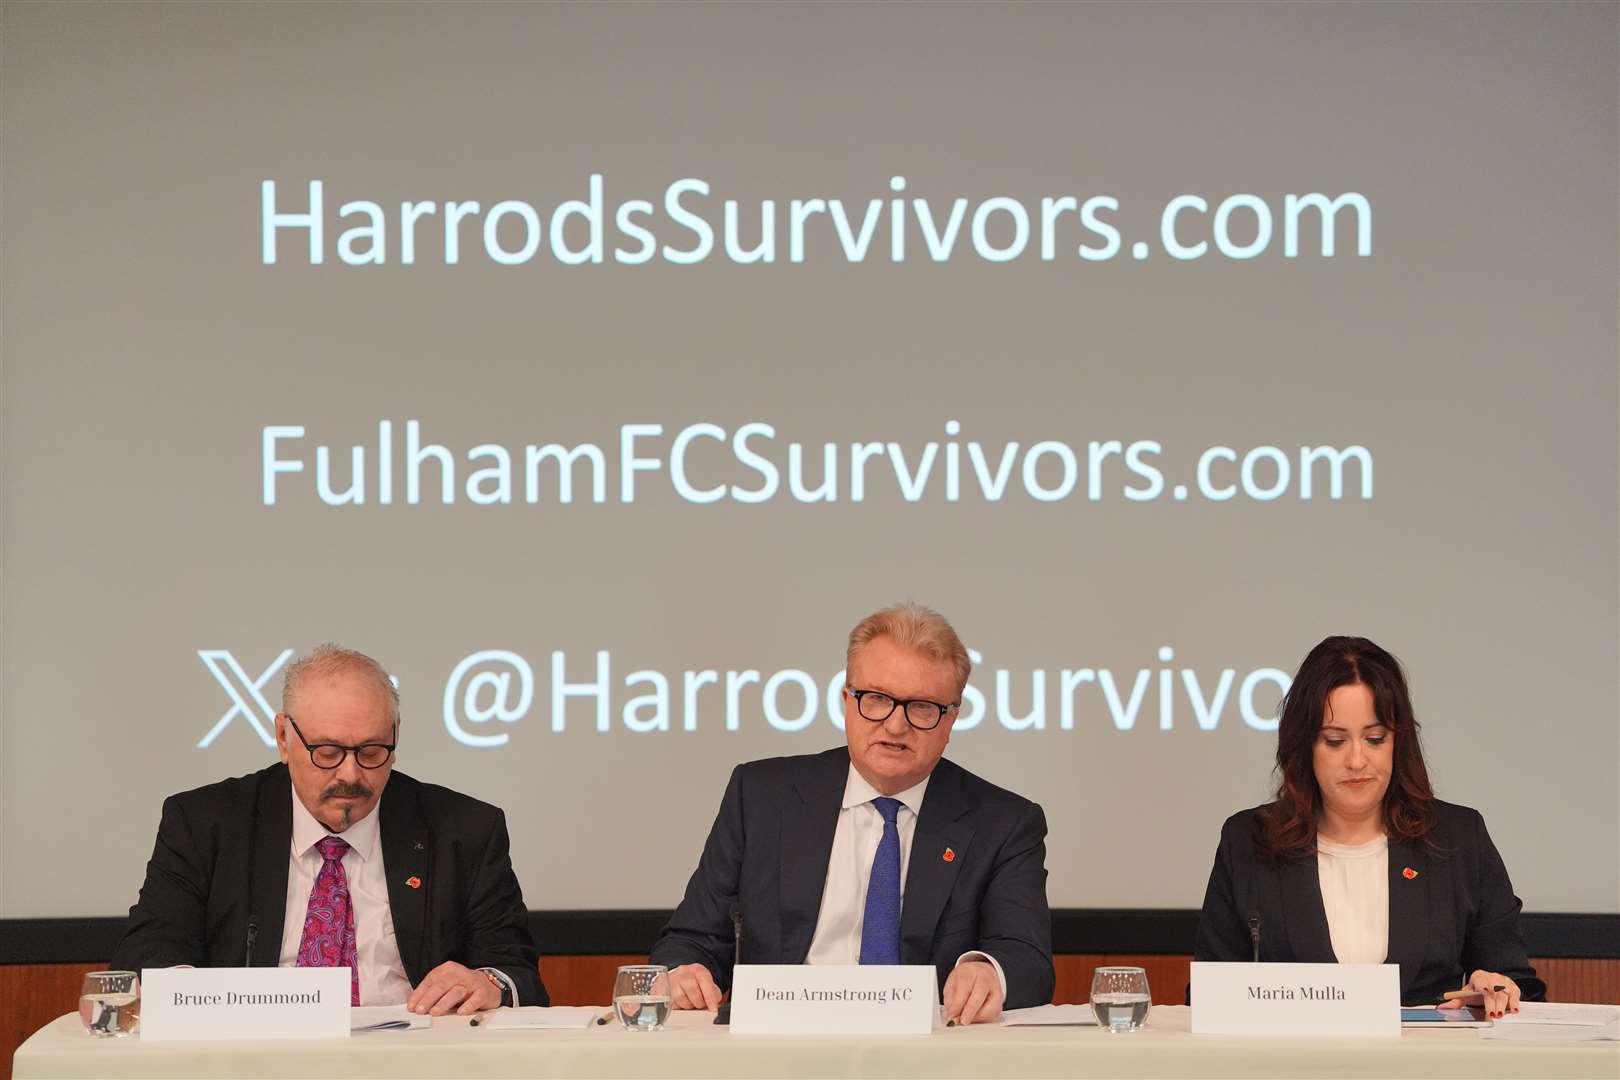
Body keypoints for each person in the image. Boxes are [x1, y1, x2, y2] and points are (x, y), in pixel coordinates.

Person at [649, 603, 1054, 1025]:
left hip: (927, 1054)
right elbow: (690, 940)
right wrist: (684, 971)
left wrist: (987, 970)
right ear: (847, 701)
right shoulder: (762, 797)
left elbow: (1027, 960)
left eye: (921, 707)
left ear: (951, 719)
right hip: (778, 1047)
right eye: (877, 699)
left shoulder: (1003, 823)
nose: (896, 726)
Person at [111, 644, 545, 1013]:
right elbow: (149, 954)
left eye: (373, 751)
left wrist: (488, 983)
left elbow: (517, 972)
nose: (351, 775)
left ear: (396, 737)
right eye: (328, 751)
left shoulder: (463, 830)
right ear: (284, 737)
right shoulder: (207, 823)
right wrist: (202, 999)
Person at [1194, 636, 1543, 1015]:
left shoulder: (1458, 838)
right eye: (1334, 741)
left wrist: (1494, 990)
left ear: (1398, 741)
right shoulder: (1248, 841)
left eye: (1375, 739)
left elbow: (1517, 985)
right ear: (1304, 747)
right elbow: (1208, 999)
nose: (1357, 760)